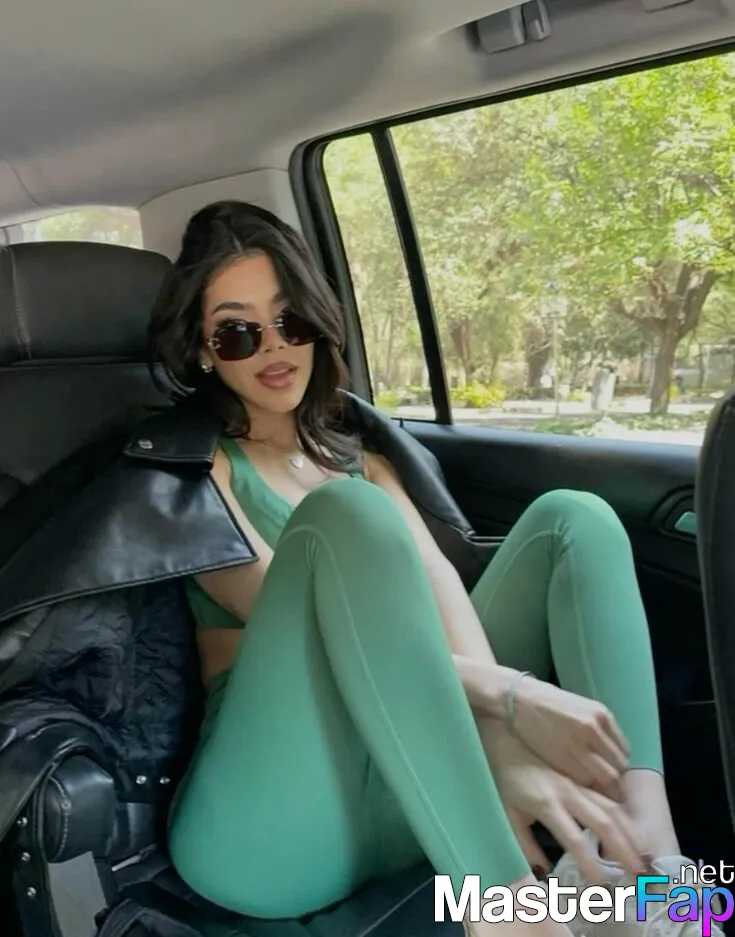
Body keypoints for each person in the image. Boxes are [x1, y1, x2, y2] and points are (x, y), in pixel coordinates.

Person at [146, 200, 714, 937]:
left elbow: (445, 603)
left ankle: (650, 866)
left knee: (573, 519)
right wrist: (513, 697)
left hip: (414, 785)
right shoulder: (195, 472)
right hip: (279, 823)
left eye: (291, 320)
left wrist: (502, 748)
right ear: (201, 349)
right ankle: (510, 915)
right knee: (348, 514)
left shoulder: (364, 461)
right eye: (237, 331)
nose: (273, 346)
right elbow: (327, 634)